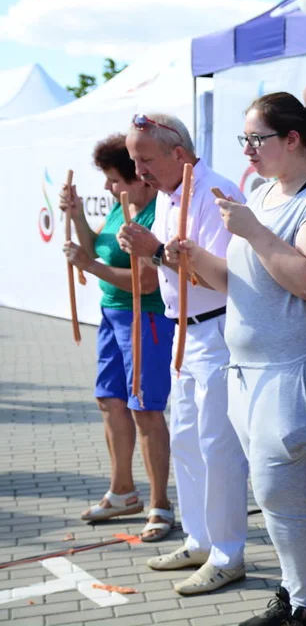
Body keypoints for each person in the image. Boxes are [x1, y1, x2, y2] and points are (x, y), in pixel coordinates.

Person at [168, 93, 306, 626]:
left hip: (301, 365)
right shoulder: (260, 191)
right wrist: (194, 260)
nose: (247, 150)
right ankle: (295, 596)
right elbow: (240, 283)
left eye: (257, 139)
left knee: (281, 490)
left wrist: (252, 230)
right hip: (249, 370)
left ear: (292, 140)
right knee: (274, 495)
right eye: (244, 140)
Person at [116, 113, 248, 595]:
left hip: (215, 332)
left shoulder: (216, 194)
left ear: (178, 152)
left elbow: (223, 279)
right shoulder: (171, 198)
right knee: (188, 441)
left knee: (218, 447)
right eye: (134, 158)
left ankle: (228, 552)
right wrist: (149, 251)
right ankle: (200, 538)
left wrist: (154, 252)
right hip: (182, 332)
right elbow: (166, 266)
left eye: (145, 158)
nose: (139, 168)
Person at [59, 133, 176, 542]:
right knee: (110, 403)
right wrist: (76, 217)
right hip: (112, 316)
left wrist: (88, 265)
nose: (110, 187)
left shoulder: (154, 215)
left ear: (141, 178)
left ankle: (160, 503)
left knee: (146, 409)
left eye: (115, 180)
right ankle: (123, 491)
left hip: (147, 320)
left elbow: (146, 283)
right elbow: (96, 247)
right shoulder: (118, 208)